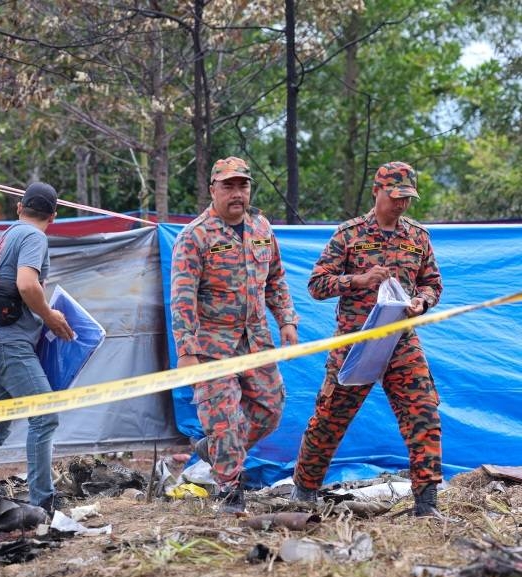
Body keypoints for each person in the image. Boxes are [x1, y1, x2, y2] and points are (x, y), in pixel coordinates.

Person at [291, 161, 443, 517]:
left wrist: (423, 300)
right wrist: (356, 281)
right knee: (330, 417)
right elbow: (316, 285)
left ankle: (426, 503)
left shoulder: (418, 236)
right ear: (376, 191)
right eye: (394, 197)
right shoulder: (349, 234)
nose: (401, 204)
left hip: (400, 339)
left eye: (407, 198)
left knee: (423, 410)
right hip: (355, 342)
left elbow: (432, 282)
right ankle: (304, 490)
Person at [170, 156, 299, 514]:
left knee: (271, 409)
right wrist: (186, 351)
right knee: (223, 420)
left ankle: (214, 452)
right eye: (228, 186)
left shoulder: (261, 229)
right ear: (213, 190)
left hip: (256, 340)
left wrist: (286, 320)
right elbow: (182, 298)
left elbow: (275, 279)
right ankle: (229, 493)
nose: (237, 193)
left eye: (242, 185)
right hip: (213, 343)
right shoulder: (195, 236)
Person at [0, 182, 75, 514]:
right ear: (54, 214)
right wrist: (49, 316)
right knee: (45, 417)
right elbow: (26, 283)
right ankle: (43, 501)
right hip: (10, 343)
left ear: (19, 207)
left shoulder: (1, 237)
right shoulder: (34, 237)